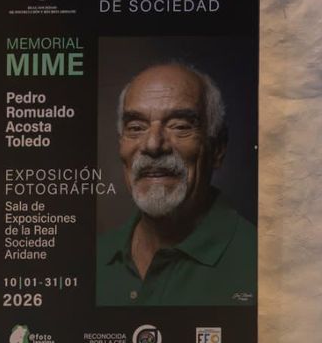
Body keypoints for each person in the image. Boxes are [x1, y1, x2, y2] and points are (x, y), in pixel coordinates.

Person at [96, 61, 257, 306]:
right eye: (136, 127)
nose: (152, 145)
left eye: (180, 126)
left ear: (218, 149)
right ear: (121, 145)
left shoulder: (259, 259)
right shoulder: (94, 256)